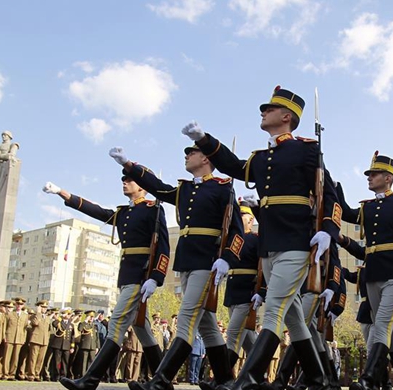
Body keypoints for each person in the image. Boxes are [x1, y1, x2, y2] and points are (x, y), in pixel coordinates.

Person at [187, 86, 341, 390]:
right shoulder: (262, 157)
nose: (263, 112)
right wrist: (203, 139)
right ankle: (319, 378)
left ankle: (248, 378)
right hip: (270, 244)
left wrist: (327, 229)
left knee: (274, 309)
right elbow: (233, 166)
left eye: (269, 109)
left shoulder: (307, 149)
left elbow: (330, 195)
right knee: (293, 317)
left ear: (286, 116)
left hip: (297, 241)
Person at [110, 142, 244, 390]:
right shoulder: (184, 190)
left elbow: (237, 230)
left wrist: (227, 258)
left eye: (192, 152)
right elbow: (158, 189)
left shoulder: (223, 188)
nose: (187, 156)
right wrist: (129, 165)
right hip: (187, 260)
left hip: (208, 262)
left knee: (186, 318)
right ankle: (226, 380)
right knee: (207, 325)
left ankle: (161, 381)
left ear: (206, 159)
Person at [44, 175, 169, 390]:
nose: (124, 182)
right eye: (123, 180)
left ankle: (89, 380)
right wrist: (63, 193)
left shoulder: (153, 209)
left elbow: (164, 247)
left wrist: (156, 277)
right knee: (142, 329)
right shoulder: (124, 212)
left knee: (117, 323)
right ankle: (163, 381)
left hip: (140, 276)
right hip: (127, 276)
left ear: (143, 187)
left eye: (130, 180)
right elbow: (96, 211)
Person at [337, 152, 393, 390]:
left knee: (382, 324)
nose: (369, 178)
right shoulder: (368, 207)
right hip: (373, 273)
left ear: (388, 177)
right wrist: (335, 186)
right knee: (389, 332)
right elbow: (346, 213)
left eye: (374, 174)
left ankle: (368, 379)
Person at [222, 200, 263, 370]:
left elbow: (264, 268)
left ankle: (221, 376)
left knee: (232, 334)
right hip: (232, 293)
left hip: (247, 293)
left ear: (251, 220)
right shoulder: (230, 239)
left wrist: (261, 291)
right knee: (247, 340)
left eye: (242, 216)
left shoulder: (256, 240)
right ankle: (259, 376)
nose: (238, 219)